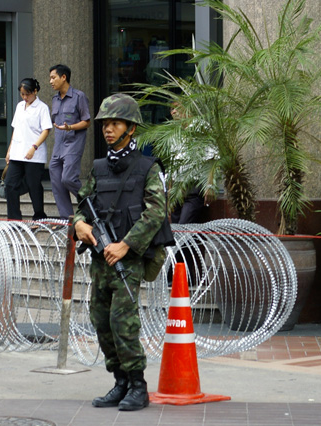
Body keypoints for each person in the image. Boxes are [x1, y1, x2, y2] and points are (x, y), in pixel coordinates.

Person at [73, 94, 174, 412]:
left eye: (115, 123)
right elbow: (82, 206)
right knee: (101, 320)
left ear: (131, 128)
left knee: (122, 322)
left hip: (127, 262)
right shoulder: (99, 167)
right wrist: (79, 225)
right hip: (101, 259)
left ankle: (138, 386)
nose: (108, 129)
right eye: (105, 123)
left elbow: (156, 212)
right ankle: (119, 381)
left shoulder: (147, 167)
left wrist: (126, 244)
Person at [4, 78, 52, 223]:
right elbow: (16, 129)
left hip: (34, 154)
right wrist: (10, 149)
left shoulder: (42, 107)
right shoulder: (20, 106)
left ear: (35, 91)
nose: (25, 97)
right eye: (22, 94)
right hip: (18, 152)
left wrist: (34, 147)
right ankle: (14, 219)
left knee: (33, 185)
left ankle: (39, 216)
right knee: (9, 184)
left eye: (27, 94)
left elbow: (46, 130)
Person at [49, 64, 91, 220]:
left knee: (68, 178)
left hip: (73, 143)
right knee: (55, 178)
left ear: (63, 77)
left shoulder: (79, 96)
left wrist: (70, 127)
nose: (51, 81)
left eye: (53, 77)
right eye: (50, 78)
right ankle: (66, 217)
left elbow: (87, 121)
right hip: (58, 145)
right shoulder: (54, 99)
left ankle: (91, 202)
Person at [167, 102, 216, 224]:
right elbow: (172, 163)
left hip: (194, 188)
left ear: (188, 109)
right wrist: (170, 193)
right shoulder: (174, 133)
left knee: (184, 229)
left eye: (177, 108)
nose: (174, 112)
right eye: (172, 109)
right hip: (177, 190)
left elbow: (212, 157)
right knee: (175, 230)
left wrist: (209, 185)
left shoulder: (201, 127)